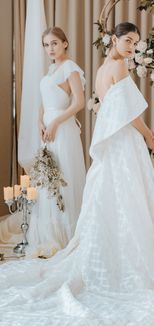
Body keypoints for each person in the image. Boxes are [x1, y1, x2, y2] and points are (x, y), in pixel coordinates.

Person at [0, 22, 154, 326]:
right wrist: (150, 137)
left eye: (135, 43)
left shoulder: (102, 67)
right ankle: (127, 259)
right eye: (127, 40)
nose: (131, 47)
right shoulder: (120, 65)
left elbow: (111, 106)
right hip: (123, 141)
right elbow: (130, 114)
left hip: (110, 144)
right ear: (115, 39)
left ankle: (110, 254)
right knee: (131, 198)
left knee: (113, 199)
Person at [26, 27, 86, 257]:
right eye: (46, 45)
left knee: (64, 176)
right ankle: (50, 235)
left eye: (54, 43)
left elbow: (78, 102)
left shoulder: (69, 68)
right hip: (48, 130)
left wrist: (56, 123)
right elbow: (44, 102)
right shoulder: (51, 71)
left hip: (63, 129)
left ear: (65, 43)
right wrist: (40, 122)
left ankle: (68, 235)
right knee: (48, 179)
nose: (50, 48)